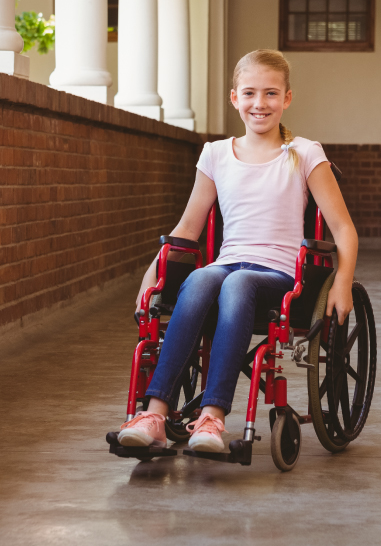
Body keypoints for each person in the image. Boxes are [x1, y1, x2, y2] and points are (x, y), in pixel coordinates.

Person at [117, 49, 358, 453]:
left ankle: (212, 418)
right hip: (228, 265)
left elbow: (343, 228)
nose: (259, 103)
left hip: (281, 277)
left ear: (287, 98)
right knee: (201, 275)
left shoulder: (303, 153)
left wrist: (344, 281)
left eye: (270, 93)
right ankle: (155, 413)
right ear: (234, 98)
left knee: (239, 282)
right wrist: (152, 272)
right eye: (249, 93)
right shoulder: (215, 154)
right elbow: (188, 229)